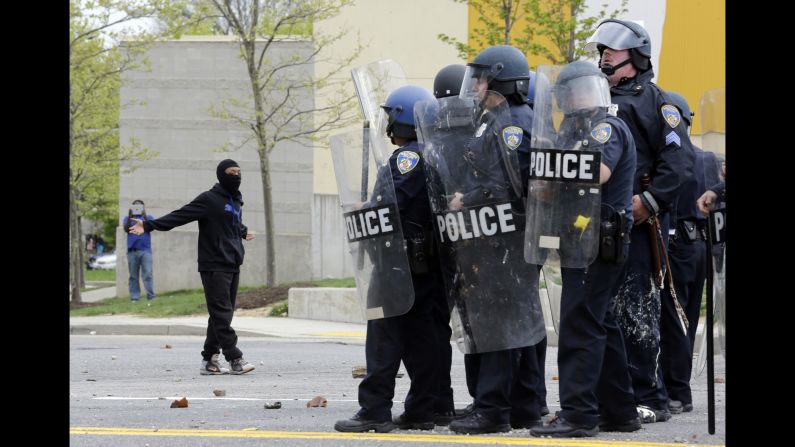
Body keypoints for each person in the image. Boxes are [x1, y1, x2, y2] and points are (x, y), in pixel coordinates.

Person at [583, 19, 695, 423]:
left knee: (636, 312)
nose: (604, 56)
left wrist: (649, 200)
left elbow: (678, 161)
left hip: (633, 226)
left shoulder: (654, 101)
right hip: (593, 224)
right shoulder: (596, 99)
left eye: (612, 50)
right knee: (601, 314)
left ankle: (649, 397)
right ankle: (607, 397)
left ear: (637, 54)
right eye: (601, 51)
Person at [529, 60, 640, 437]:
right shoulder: (571, 130)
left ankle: (578, 414)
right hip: (578, 240)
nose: (572, 96)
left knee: (579, 325)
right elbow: (553, 182)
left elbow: (598, 172)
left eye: (576, 89)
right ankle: (620, 411)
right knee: (599, 324)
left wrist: (554, 176)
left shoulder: (606, 127)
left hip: (599, 242)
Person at [334, 85, 445, 433]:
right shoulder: (438, 154)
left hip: (397, 261)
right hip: (425, 263)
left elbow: (388, 203)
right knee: (422, 338)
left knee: (384, 336)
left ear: (402, 119)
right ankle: (426, 407)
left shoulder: (407, 157)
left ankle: (374, 410)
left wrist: (362, 208)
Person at [447, 44, 546, 434]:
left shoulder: (511, 124)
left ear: (501, 80)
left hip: (506, 239)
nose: (474, 86)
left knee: (498, 322)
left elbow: (508, 185)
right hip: (498, 236)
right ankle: (523, 406)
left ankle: (492, 409)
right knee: (515, 322)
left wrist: (464, 199)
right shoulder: (499, 118)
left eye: (481, 78)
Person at [128, 159, 256, 376]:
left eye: (239, 172)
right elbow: (180, 215)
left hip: (233, 262)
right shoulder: (208, 199)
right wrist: (148, 225)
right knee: (221, 312)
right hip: (213, 263)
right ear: (221, 175)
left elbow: (231, 223)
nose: (236, 176)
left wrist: (243, 232)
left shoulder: (235, 201)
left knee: (222, 313)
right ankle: (234, 357)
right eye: (231, 172)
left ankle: (209, 361)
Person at [657, 92, 722, 414]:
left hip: (677, 244)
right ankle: (681, 391)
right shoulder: (708, 159)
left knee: (672, 319)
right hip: (701, 248)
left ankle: (676, 391)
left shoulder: (672, 157)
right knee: (687, 318)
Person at [122, 200, 156, 302]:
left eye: (139, 206)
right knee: (133, 276)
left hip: (145, 250)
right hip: (132, 251)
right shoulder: (127, 219)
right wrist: (130, 216)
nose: (137, 208)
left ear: (143, 208)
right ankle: (135, 297)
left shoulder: (148, 218)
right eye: (135, 206)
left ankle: (151, 296)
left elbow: (152, 227)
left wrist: (144, 216)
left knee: (148, 274)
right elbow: (126, 229)